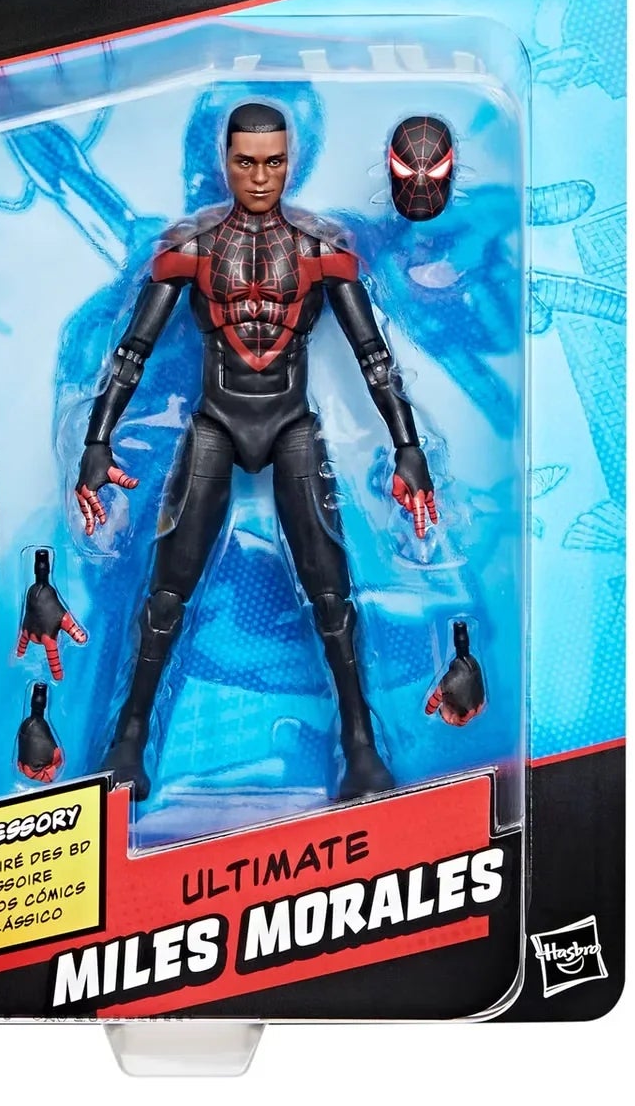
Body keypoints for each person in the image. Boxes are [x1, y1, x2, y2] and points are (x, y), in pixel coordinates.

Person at [76, 102, 438, 802]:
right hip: (217, 420)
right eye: (246, 162)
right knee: (167, 591)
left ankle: (361, 746)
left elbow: (373, 355)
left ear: (290, 162)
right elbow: (132, 351)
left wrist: (408, 447)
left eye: (273, 162)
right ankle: (128, 738)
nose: (261, 177)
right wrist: (97, 439)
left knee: (331, 593)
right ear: (226, 162)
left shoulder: (320, 245)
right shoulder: (192, 244)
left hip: (290, 421)